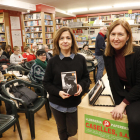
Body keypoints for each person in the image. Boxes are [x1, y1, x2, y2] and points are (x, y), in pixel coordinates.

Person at [43, 26, 89, 140]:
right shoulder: (53, 61)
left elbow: (86, 78)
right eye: (61, 38)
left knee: (73, 130)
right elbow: (46, 82)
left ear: (72, 41)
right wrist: (58, 92)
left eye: (68, 38)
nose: (65, 41)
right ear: (57, 42)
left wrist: (81, 86)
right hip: (57, 103)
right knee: (61, 129)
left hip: (74, 102)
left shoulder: (80, 59)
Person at [104, 19, 140, 140]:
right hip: (129, 93)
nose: (116, 38)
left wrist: (124, 103)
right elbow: (113, 83)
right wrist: (119, 103)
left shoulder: (137, 53)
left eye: (120, 34)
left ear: (128, 36)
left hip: (138, 92)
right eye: (113, 34)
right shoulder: (108, 55)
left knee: (135, 121)